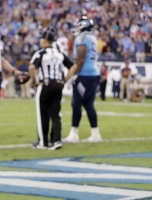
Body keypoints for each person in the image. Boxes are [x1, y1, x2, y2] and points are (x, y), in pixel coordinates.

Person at [29, 27, 78, 150]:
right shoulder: (59, 54)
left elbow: (31, 67)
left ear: (44, 40)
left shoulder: (40, 53)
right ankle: (57, 140)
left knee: (43, 114)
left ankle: (43, 142)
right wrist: (65, 80)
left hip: (45, 84)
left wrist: (34, 81)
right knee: (56, 114)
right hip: (58, 85)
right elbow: (73, 66)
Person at [63, 16, 102, 144]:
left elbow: (80, 60)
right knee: (89, 105)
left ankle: (74, 134)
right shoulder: (92, 38)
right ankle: (95, 134)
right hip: (93, 74)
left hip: (85, 75)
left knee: (76, 104)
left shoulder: (82, 38)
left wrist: (70, 75)